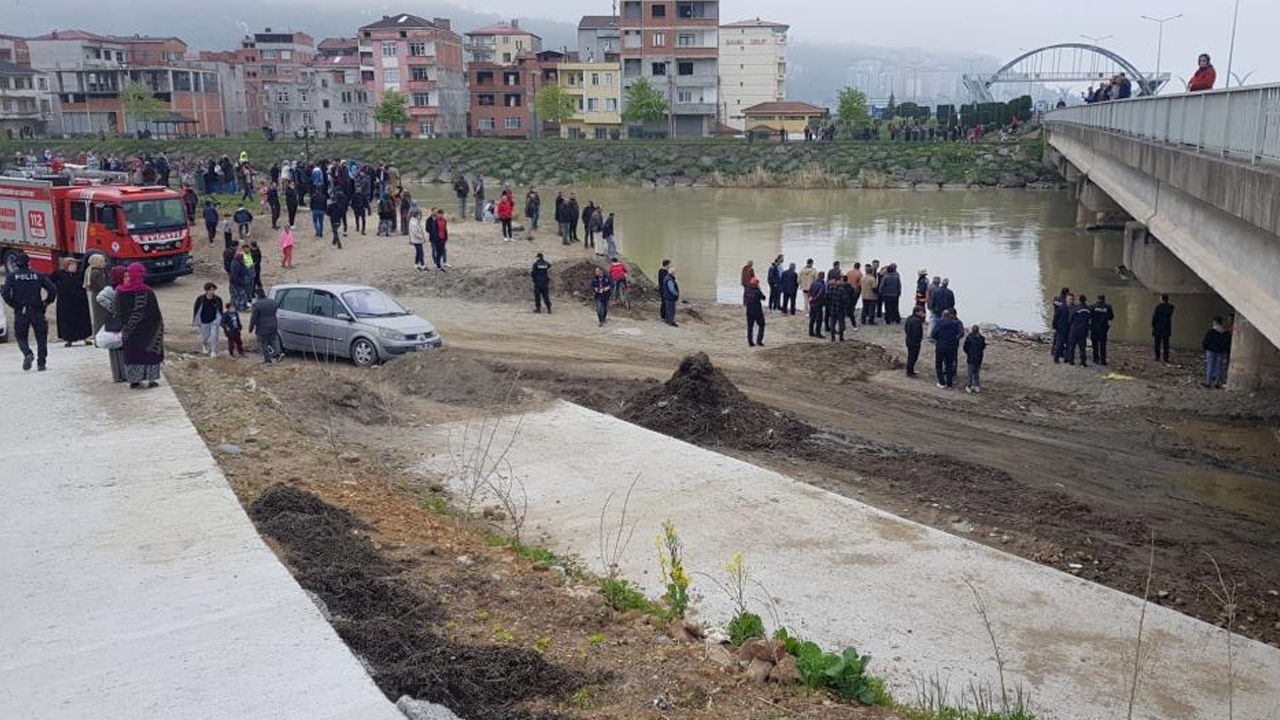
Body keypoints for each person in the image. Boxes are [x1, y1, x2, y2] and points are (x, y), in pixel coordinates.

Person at [1, 252, 57, 371]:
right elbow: (52, 289)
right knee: (41, 338)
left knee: (21, 336)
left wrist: (14, 305)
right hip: (37, 310)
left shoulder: (12, 277)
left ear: (16, 264)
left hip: (21, 311)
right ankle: (41, 363)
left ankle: (27, 353)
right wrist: (46, 302)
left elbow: (5, 294)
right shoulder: (38, 275)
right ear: (29, 263)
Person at [116, 263, 165, 388]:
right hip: (149, 331)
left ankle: (134, 381)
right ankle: (151, 380)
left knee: (133, 354)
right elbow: (155, 312)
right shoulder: (148, 292)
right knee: (149, 354)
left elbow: (118, 311)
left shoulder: (120, 292)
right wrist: (159, 327)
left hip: (130, 331)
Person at [51, 258, 93, 347]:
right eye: (72, 265)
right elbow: (49, 281)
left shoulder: (80, 274)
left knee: (82, 319)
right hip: (66, 301)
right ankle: (68, 339)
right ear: (66, 266)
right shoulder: (59, 274)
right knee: (67, 319)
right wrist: (58, 287)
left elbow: (87, 283)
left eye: (75, 264)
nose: (74, 266)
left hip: (80, 301)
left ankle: (85, 337)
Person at [95, 266, 127, 381]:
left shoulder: (125, 288)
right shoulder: (111, 289)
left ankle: (124, 374)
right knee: (115, 349)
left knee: (122, 348)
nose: (127, 278)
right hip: (114, 322)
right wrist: (113, 308)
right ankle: (118, 375)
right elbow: (100, 298)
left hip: (121, 321)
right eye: (124, 276)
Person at [931, 309, 964, 389]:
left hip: (941, 347)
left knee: (939, 364)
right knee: (949, 365)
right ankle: (949, 384)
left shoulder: (939, 323)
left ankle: (942, 382)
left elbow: (933, 334)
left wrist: (938, 339)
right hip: (951, 347)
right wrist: (954, 339)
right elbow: (960, 333)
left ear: (942, 315)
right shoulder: (955, 324)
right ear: (950, 316)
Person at [249, 294, 282, 364]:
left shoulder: (257, 305)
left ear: (257, 295)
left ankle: (267, 359)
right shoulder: (273, 302)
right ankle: (278, 354)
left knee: (264, 344)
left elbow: (253, 318)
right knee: (273, 340)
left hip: (262, 327)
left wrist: (250, 328)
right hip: (273, 325)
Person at [192, 283, 223, 357]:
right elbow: (196, 309)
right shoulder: (200, 299)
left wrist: (220, 320)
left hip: (214, 320)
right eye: (210, 290)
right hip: (204, 321)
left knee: (214, 336)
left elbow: (220, 310)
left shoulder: (217, 299)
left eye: (213, 290)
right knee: (205, 336)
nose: (212, 291)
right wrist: (196, 320)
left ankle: (213, 350)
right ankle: (204, 345)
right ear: (206, 290)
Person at [85, 254, 110, 336]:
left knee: (98, 318)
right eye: (102, 261)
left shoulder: (92, 271)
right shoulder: (97, 273)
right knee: (101, 318)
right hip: (100, 296)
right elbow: (102, 285)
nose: (104, 263)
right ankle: (100, 336)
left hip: (96, 296)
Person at [1202, 317, 1231, 388]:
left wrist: (1206, 347)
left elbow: (1206, 341)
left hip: (1211, 351)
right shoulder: (1226, 332)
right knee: (1219, 367)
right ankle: (1217, 383)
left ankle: (1208, 382)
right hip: (1221, 351)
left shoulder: (1211, 331)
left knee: (1210, 366)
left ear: (1215, 322)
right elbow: (1228, 343)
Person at [1067, 294, 1093, 366]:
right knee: (1082, 347)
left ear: (1079, 300)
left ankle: (1071, 361)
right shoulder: (1089, 309)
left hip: (1074, 330)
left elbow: (1069, 320)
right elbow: (1090, 318)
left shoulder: (1075, 309)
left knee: (1072, 346)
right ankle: (1083, 362)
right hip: (1083, 331)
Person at [1090, 294, 1115, 366]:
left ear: (1098, 298)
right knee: (1102, 345)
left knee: (1095, 344)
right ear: (1104, 299)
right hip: (1103, 329)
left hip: (1094, 328)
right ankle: (1103, 361)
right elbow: (1111, 317)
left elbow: (1090, 316)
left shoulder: (1093, 306)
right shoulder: (1108, 307)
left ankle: (1095, 359)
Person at [963, 325, 986, 393]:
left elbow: (965, 347)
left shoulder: (969, 337)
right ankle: (977, 386)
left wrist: (968, 353)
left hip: (971, 357)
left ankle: (969, 386)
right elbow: (983, 346)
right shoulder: (982, 338)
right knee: (976, 372)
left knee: (970, 373)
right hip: (979, 357)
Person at [1152, 294, 1175, 362]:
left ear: (1161, 299)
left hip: (1158, 327)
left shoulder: (1158, 306)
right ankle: (1166, 357)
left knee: (1157, 343)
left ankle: (1157, 357)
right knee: (1166, 343)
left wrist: (1153, 325)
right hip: (1166, 327)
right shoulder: (1171, 307)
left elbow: (1155, 317)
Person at [903, 305, 925, 378]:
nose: (923, 313)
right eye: (921, 312)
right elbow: (916, 332)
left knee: (910, 356)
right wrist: (918, 340)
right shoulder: (917, 321)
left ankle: (910, 370)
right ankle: (910, 372)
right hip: (914, 342)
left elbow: (906, 328)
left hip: (908, 340)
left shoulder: (909, 318)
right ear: (917, 312)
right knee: (913, 357)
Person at [1051, 287, 1071, 364]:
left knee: (1056, 338)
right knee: (1062, 340)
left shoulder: (1056, 299)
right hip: (1063, 321)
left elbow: (1054, 305)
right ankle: (1060, 354)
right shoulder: (1065, 302)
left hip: (1057, 320)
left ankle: (1053, 351)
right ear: (1067, 293)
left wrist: (1054, 324)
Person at [744, 276, 766, 347]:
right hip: (757, 311)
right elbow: (763, 298)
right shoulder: (757, 291)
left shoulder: (747, 290)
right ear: (756, 284)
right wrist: (759, 289)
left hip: (749, 311)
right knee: (762, 325)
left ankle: (750, 342)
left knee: (750, 327)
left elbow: (745, 300)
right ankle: (759, 341)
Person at [827, 274, 850, 342]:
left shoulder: (830, 288)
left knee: (832, 324)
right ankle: (841, 338)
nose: (842, 282)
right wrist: (846, 308)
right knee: (841, 324)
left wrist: (829, 307)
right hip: (840, 309)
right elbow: (846, 300)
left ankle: (833, 338)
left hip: (832, 309)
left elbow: (827, 299)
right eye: (841, 280)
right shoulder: (841, 290)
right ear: (838, 281)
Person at [807, 273, 827, 338]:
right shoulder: (822, 285)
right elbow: (820, 294)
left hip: (812, 303)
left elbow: (809, 291)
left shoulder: (813, 283)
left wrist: (810, 298)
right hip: (818, 303)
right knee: (819, 319)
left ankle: (811, 332)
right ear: (823, 277)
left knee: (812, 318)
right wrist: (814, 299)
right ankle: (818, 333)